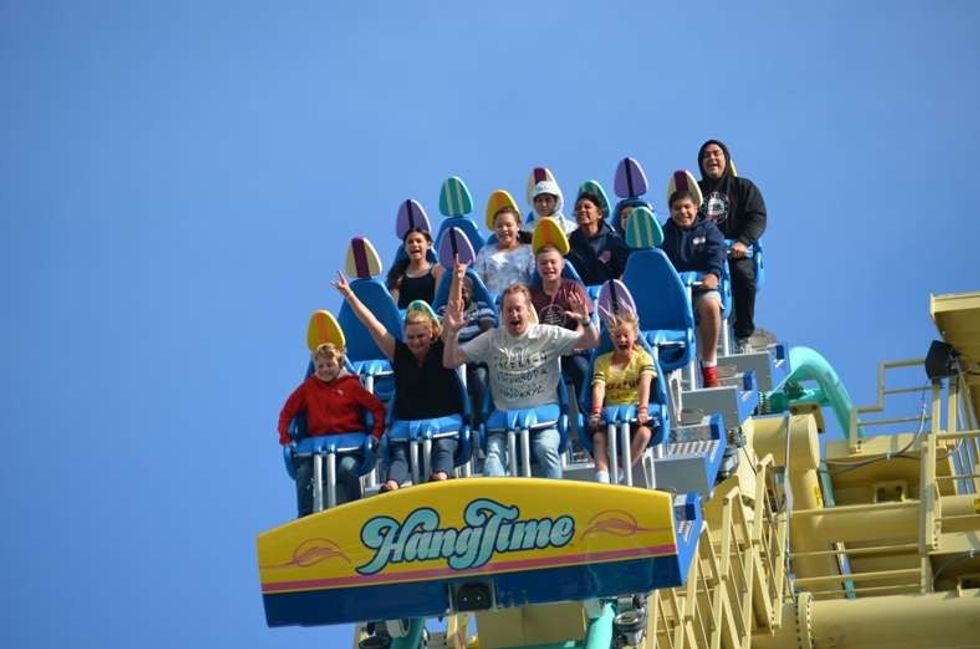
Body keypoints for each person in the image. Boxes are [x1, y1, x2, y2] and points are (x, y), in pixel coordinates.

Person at [443, 283, 600, 478]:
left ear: (528, 310)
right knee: (492, 462)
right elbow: (450, 361)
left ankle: (556, 503)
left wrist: (585, 321)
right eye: (509, 310)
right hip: (503, 421)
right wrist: (452, 333)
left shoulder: (546, 334)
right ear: (502, 313)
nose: (514, 315)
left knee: (546, 450)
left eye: (518, 309)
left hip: (544, 420)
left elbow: (591, 341)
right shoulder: (491, 339)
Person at [333, 273, 463, 491]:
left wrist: (457, 278)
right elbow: (372, 324)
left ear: (431, 332)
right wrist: (350, 296)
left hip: (445, 421)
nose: (415, 342)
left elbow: (452, 309)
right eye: (410, 337)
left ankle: (440, 478)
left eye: (420, 336)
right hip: (406, 423)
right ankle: (392, 486)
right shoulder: (399, 353)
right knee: (399, 456)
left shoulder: (441, 348)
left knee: (444, 449)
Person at [277, 342, 386, 516]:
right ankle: (305, 516)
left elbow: (377, 408)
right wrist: (286, 437)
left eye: (330, 365)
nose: (325, 369)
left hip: (349, 446)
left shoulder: (351, 386)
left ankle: (355, 511)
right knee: (304, 473)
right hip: (316, 448)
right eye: (320, 366)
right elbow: (287, 412)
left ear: (340, 364)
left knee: (347, 468)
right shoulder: (308, 388)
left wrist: (375, 434)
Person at [697, 139, 767, 349]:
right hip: (704, 255)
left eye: (716, 154)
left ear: (726, 158)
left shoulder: (743, 187)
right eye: (706, 156)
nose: (712, 159)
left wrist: (743, 242)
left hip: (735, 252)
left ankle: (743, 332)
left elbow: (758, 217)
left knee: (743, 276)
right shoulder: (695, 194)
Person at [661, 189, 726, 388]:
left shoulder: (708, 229)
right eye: (677, 208)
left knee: (711, 306)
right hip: (674, 293)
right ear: (671, 212)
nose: (683, 212)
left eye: (687, 207)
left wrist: (713, 274)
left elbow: (717, 253)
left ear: (696, 208)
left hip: (701, 288)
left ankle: (709, 365)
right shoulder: (664, 235)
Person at [588, 312, 655, 483]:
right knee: (598, 438)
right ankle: (603, 480)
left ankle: (623, 470)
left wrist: (643, 409)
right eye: (618, 336)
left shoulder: (643, 358)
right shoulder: (602, 362)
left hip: (633, 414)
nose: (622, 340)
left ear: (635, 336)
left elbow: (645, 383)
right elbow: (599, 387)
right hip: (610, 416)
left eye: (626, 335)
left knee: (645, 434)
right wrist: (596, 412)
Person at [439, 256, 497, 424]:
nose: (461, 294)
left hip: (475, 359)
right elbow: (439, 334)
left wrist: (471, 348)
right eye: (458, 289)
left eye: (466, 290)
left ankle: (481, 423)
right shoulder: (443, 311)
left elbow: (489, 331)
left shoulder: (481, 308)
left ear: (472, 292)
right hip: (451, 361)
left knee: (480, 381)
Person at [529, 244, 592, 398]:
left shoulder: (573, 289)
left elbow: (583, 323)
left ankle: (589, 415)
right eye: (543, 263)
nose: (548, 266)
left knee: (582, 370)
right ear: (537, 266)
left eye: (553, 262)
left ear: (562, 264)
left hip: (572, 351)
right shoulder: (531, 295)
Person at [566, 191, 630, 286]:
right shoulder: (569, 245)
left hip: (610, 295)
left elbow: (625, 270)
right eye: (578, 208)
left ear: (599, 213)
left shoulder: (613, 241)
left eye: (587, 207)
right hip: (581, 297)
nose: (582, 210)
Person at [473, 206, 535, 295]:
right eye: (499, 226)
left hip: (521, 304)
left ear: (518, 226)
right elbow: (477, 283)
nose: (504, 229)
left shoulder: (529, 250)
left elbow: (535, 280)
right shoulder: (485, 251)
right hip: (493, 306)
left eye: (508, 225)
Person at [386, 227, 444, 309]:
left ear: (428, 245)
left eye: (419, 241)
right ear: (405, 248)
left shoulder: (437, 269)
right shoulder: (398, 273)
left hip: (431, 318)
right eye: (410, 242)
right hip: (406, 319)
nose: (414, 244)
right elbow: (393, 307)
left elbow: (439, 301)